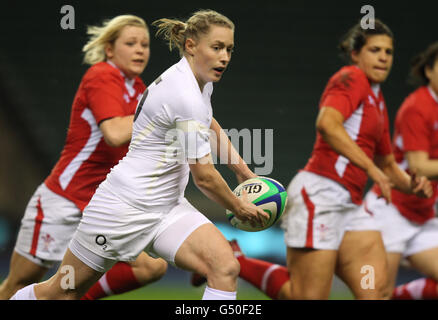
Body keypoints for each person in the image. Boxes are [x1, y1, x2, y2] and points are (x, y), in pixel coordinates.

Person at [10, 9, 269, 300]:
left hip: (167, 208)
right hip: (122, 208)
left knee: (224, 267)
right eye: (217, 48)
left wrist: (242, 171)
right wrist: (239, 207)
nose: (225, 57)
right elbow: (205, 178)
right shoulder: (183, 93)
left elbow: (209, 123)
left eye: (229, 50)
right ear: (191, 45)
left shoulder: (200, 81)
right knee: (60, 293)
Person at [0, 15, 169, 300]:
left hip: (102, 204)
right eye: (131, 43)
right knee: (19, 282)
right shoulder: (102, 76)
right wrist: (162, 115)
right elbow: (114, 133)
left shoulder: (139, 89)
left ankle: (72, 295)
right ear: (110, 50)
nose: (140, 50)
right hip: (64, 200)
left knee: (150, 267)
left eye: (145, 44)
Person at [280, 19, 434, 300]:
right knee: (309, 296)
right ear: (355, 54)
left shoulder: (378, 100)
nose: (384, 57)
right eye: (375, 50)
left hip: (351, 210)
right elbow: (327, 124)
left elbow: (388, 165)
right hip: (320, 197)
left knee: (375, 291)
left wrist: (414, 186)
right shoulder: (350, 78)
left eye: (388, 52)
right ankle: (239, 263)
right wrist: (370, 168)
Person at [362, 41, 438, 300]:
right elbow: (419, 167)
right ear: (429, 70)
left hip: (424, 214)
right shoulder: (419, 106)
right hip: (391, 210)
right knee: (375, 292)